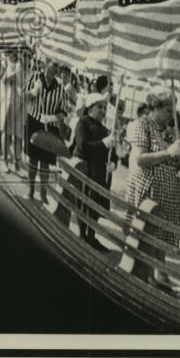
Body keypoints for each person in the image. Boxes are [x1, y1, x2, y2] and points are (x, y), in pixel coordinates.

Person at [124, 89, 180, 289]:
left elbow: (173, 159)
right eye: (168, 111)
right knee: (149, 233)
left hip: (168, 192)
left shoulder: (167, 130)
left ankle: (160, 272)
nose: (171, 116)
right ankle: (146, 274)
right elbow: (140, 158)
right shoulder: (143, 125)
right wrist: (168, 152)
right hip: (151, 190)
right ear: (155, 108)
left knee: (162, 234)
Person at [72, 92, 115, 251]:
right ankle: (83, 234)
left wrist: (114, 162)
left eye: (105, 107)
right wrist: (103, 144)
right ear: (90, 108)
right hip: (85, 167)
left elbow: (111, 152)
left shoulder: (105, 129)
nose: (103, 111)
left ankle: (92, 235)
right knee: (84, 201)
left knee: (95, 204)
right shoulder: (82, 123)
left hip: (99, 170)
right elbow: (83, 146)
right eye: (100, 107)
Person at [25, 60, 69, 204]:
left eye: (54, 70)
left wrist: (51, 117)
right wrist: (33, 92)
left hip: (49, 126)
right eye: (49, 69)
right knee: (33, 158)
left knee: (45, 162)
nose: (50, 73)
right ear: (46, 67)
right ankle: (31, 190)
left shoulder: (61, 88)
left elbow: (63, 113)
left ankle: (43, 193)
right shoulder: (35, 77)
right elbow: (24, 96)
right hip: (34, 121)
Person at [0, 49, 25, 172]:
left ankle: (3, 149)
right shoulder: (8, 60)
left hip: (13, 97)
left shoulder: (21, 65)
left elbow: (21, 84)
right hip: (4, 93)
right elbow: (0, 76)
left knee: (4, 123)